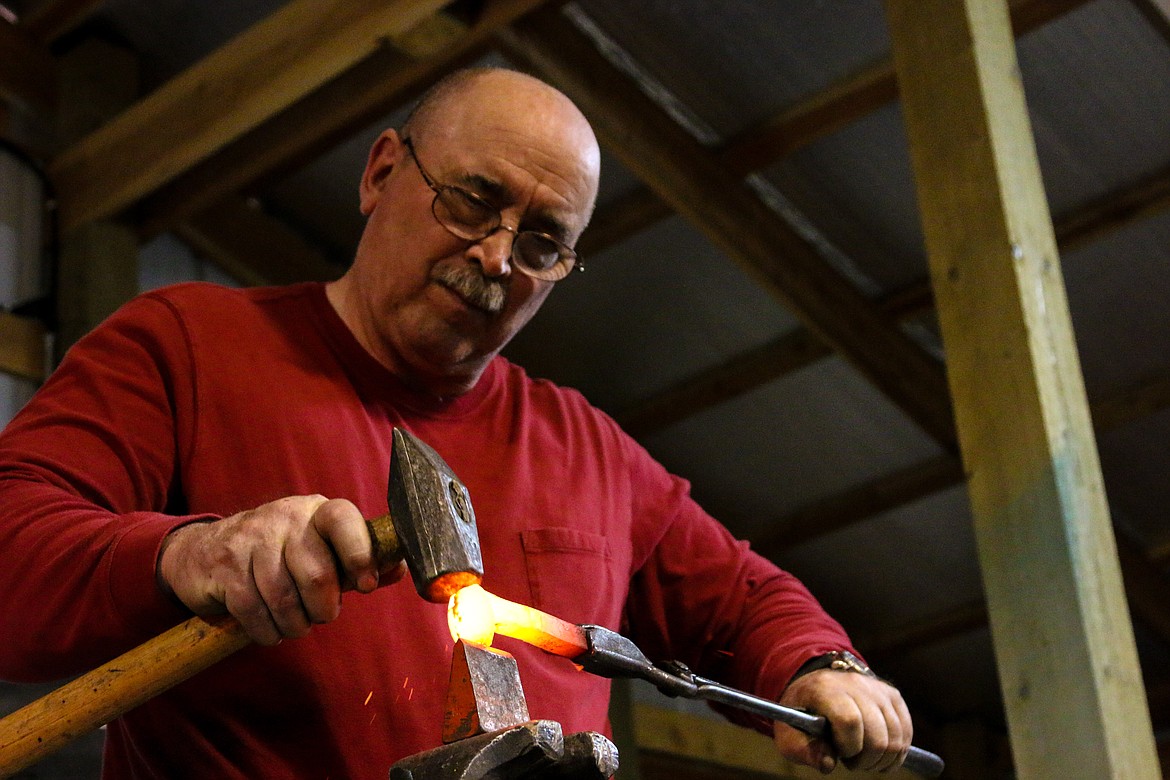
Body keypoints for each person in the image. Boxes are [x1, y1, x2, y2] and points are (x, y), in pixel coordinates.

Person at [0, 67, 912, 778]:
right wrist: (188, 556)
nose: (497, 257)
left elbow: (747, 599)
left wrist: (824, 665)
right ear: (383, 171)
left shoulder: (586, 449)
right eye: (472, 200)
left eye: (545, 242)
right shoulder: (189, 347)